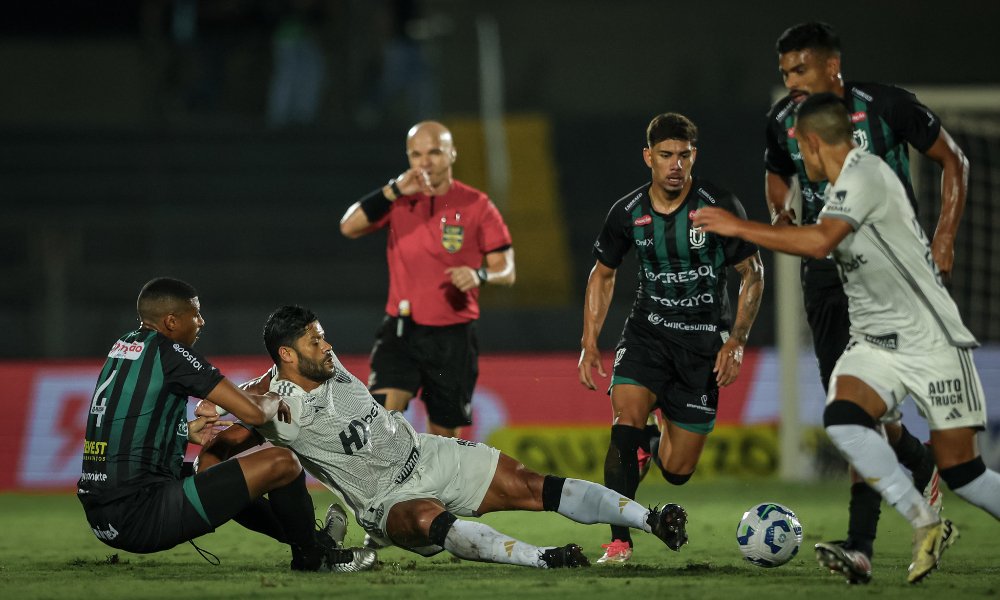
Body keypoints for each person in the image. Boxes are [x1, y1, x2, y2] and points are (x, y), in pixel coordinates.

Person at [696, 92, 1000, 584]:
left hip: (929, 337)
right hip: (875, 342)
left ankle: (919, 506)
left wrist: (737, 227)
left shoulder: (867, 175)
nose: (799, 159)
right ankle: (924, 522)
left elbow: (820, 243)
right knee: (844, 421)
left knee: (965, 474)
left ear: (813, 143)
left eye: (800, 148)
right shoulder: (839, 188)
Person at [196, 305, 689, 569]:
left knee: (534, 484)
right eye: (315, 340)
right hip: (386, 501)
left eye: (323, 335)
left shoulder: (322, 363)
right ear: (287, 354)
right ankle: (543, 559)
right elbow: (228, 436)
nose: (328, 346)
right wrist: (213, 407)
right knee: (426, 520)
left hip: (427, 453)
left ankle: (651, 519)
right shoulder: (269, 401)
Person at [763, 21, 969, 582]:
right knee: (854, 410)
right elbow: (777, 174)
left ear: (832, 66)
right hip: (825, 276)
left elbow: (954, 160)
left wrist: (944, 237)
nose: (791, 82)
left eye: (800, 69)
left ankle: (861, 546)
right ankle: (919, 464)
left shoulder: (886, 106)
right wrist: (780, 211)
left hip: (887, 275)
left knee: (858, 413)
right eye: (784, 73)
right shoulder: (781, 122)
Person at [77, 277, 374, 572]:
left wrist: (182, 431)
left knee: (214, 471)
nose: (201, 322)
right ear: (171, 321)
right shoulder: (171, 354)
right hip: (140, 516)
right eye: (195, 314)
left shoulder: (124, 345)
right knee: (282, 464)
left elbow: (116, 420)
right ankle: (314, 557)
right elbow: (254, 414)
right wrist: (273, 397)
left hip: (102, 514)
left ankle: (318, 541)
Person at [577, 113, 765, 563]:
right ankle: (619, 541)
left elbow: (752, 271)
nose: (675, 165)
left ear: (694, 156)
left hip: (702, 345)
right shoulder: (627, 212)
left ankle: (652, 442)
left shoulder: (718, 206)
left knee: (678, 471)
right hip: (647, 335)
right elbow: (603, 273)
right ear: (649, 157)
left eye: (683, 155)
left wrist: (737, 341)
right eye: (666, 155)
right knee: (624, 425)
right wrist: (589, 342)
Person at [339, 120, 515, 439]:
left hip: (452, 336)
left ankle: (432, 474)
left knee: (442, 439)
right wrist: (394, 190)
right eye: (416, 154)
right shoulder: (398, 200)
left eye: (434, 152)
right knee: (381, 423)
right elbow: (348, 226)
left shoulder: (476, 205)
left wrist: (479, 274)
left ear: (452, 154)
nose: (425, 162)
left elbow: (506, 269)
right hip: (401, 329)